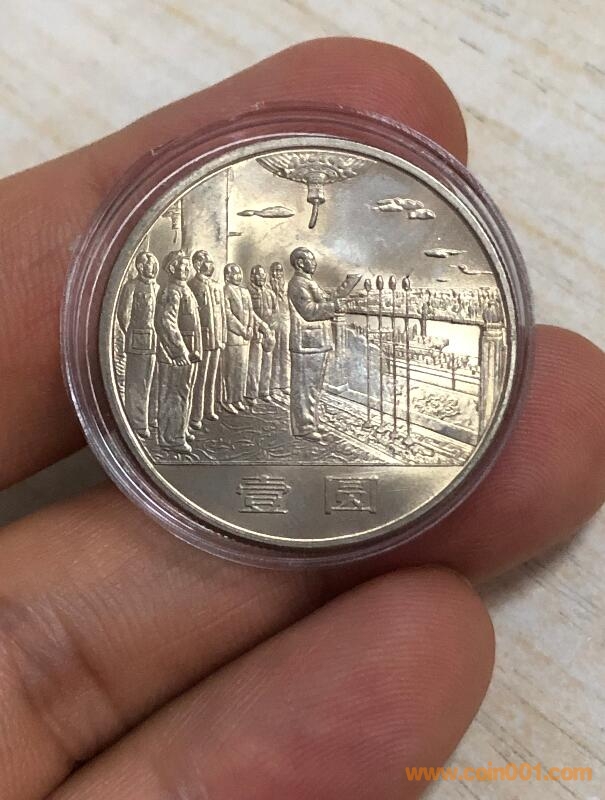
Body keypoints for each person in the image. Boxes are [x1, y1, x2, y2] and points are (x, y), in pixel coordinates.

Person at [3, 41, 604, 800]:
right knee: (254, 398)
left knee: (278, 397)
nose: (192, 269)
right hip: (240, 350)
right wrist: (242, 332)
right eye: (188, 266)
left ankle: (267, 422)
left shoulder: (272, 290)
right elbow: (232, 316)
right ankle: (240, 427)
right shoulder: (259, 292)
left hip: (259, 349)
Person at [288, 246, 344, 442]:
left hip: (315, 343)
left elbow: (319, 302)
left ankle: (311, 422)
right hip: (306, 344)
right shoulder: (297, 284)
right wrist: (333, 306)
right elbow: (309, 311)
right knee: (305, 388)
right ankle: (304, 427)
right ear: (300, 263)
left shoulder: (307, 282)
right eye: (310, 260)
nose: (314, 263)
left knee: (313, 387)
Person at [155, 250, 202, 453]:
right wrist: (179, 352)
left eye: (188, 265)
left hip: (188, 352)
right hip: (177, 354)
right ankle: (172, 438)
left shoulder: (183, 289)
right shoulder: (172, 291)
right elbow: (167, 323)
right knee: (174, 394)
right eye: (183, 265)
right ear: (172, 268)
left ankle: (180, 429)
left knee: (184, 391)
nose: (187, 268)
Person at [116, 250, 159, 439]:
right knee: (138, 382)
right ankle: (137, 423)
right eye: (149, 264)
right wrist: (134, 334)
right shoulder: (131, 286)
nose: (153, 267)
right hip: (138, 342)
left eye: (154, 264)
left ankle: (152, 417)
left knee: (153, 380)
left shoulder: (157, 287)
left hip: (156, 341)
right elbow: (124, 315)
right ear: (140, 267)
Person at [189, 249, 226, 425]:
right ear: (197, 265)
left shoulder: (216, 286)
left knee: (212, 376)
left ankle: (208, 409)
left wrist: (223, 337)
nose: (212, 265)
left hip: (216, 338)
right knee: (200, 378)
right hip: (201, 339)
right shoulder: (192, 285)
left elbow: (222, 314)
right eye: (208, 262)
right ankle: (196, 415)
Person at [222, 262, 255, 413]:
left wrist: (250, 327)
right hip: (234, 337)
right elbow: (228, 314)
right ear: (227, 276)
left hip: (245, 338)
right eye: (235, 273)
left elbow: (251, 311)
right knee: (231, 370)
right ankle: (229, 400)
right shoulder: (226, 290)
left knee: (242, 369)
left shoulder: (245, 291)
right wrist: (242, 330)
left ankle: (238, 398)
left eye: (239, 272)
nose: (238, 276)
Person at [246, 264, 277, 405]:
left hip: (269, 333)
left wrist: (272, 327)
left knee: (267, 364)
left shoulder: (270, 292)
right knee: (254, 365)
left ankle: (264, 391)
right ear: (252, 276)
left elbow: (276, 312)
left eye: (263, 274)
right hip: (256, 333)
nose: (262, 277)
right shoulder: (247, 292)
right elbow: (249, 312)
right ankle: (252, 394)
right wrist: (261, 326)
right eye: (258, 274)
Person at [269, 260, 291, 398]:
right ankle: (273, 385)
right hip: (273, 323)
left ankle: (285, 384)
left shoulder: (287, 286)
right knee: (274, 353)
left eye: (279, 271)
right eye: (274, 271)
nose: (277, 274)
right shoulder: (267, 286)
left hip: (286, 321)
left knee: (286, 353)